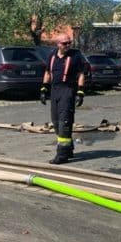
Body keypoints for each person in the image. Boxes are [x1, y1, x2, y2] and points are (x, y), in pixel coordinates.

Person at [40, 33, 87, 164]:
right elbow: (47, 72)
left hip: (68, 90)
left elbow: (81, 74)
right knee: (55, 121)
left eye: (69, 43)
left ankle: (62, 155)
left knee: (64, 122)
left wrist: (80, 92)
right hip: (55, 90)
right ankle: (68, 148)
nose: (67, 45)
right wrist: (43, 89)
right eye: (65, 43)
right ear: (58, 44)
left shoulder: (76, 56)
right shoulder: (52, 55)